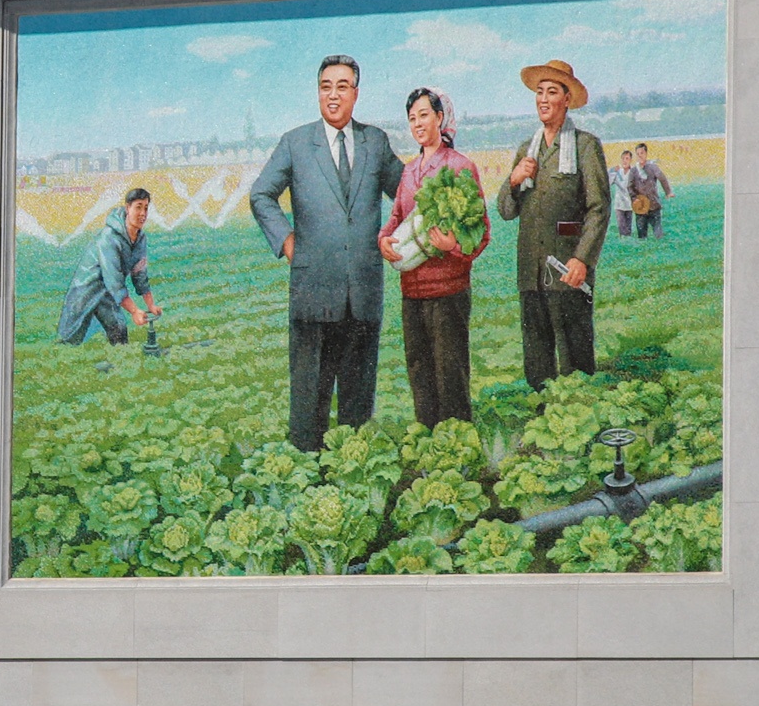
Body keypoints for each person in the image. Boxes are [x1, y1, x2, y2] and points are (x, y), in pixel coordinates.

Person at [249, 54, 405, 451]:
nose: (333, 96)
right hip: (313, 289)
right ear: (318, 92)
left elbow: (406, 194)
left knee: (357, 402)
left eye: (342, 87)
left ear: (356, 92)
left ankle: (353, 471)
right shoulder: (296, 142)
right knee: (309, 400)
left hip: (363, 292)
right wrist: (287, 242)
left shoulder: (375, 141)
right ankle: (307, 478)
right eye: (325, 87)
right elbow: (261, 194)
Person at [495, 59, 609, 390]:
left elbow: (598, 208)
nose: (543, 99)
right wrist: (514, 181)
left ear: (567, 99)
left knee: (575, 356)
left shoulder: (585, 145)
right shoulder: (525, 150)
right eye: (539, 92)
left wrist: (583, 259)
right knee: (537, 357)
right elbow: (505, 210)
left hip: (568, 267)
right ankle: (541, 419)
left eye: (552, 92)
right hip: (531, 270)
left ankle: (579, 421)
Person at [378, 88, 489, 429]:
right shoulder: (409, 172)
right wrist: (383, 238)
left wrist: (453, 244)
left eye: (424, 115)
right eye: (412, 118)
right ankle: (431, 443)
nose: (418, 124)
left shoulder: (459, 166)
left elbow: (482, 233)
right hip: (412, 291)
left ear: (440, 119)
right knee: (419, 372)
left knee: (450, 372)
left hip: (448, 292)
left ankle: (458, 445)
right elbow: (397, 217)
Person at [57, 187, 159, 345]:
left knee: (119, 330)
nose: (143, 213)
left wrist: (150, 305)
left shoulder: (140, 239)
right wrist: (134, 311)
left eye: (146, 208)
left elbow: (140, 274)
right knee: (71, 337)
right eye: (138, 207)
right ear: (127, 208)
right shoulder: (108, 239)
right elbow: (114, 281)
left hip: (106, 292)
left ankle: (119, 364)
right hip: (86, 290)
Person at [628, 141, 673, 239]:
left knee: (658, 234)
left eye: (642, 153)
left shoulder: (653, 167)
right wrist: (634, 198)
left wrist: (668, 192)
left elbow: (662, 178)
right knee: (642, 236)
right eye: (638, 154)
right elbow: (630, 186)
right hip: (640, 207)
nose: (640, 156)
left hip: (654, 205)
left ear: (646, 153)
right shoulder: (633, 171)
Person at [611, 149, 637, 236]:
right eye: (623, 159)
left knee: (628, 229)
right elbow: (608, 182)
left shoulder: (633, 173)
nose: (624, 161)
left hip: (629, 204)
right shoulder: (618, 172)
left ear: (630, 160)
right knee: (621, 228)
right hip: (619, 204)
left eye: (627, 159)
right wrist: (612, 171)